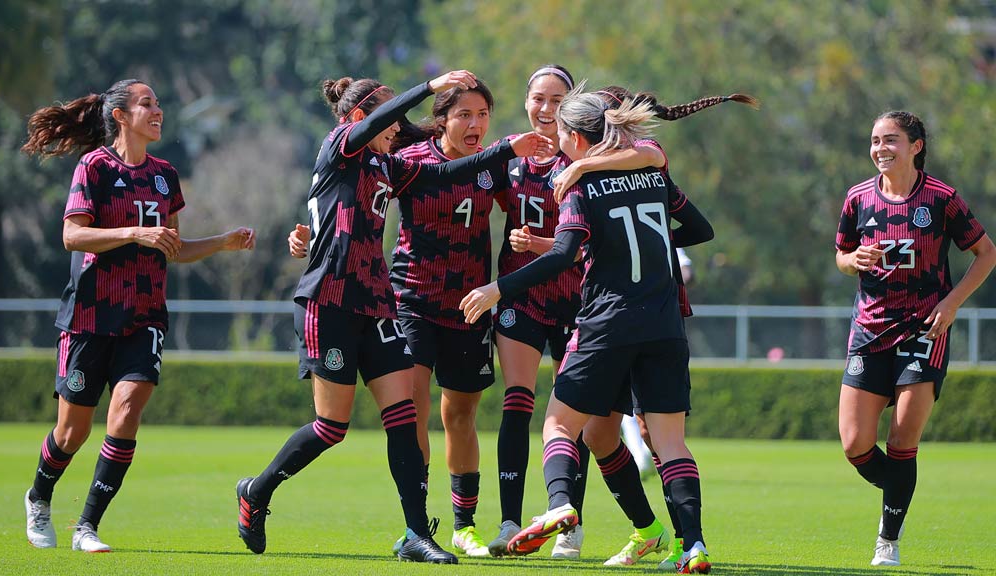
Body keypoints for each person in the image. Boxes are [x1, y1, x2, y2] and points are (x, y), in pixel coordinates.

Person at [235, 71, 552, 563]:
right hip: (330, 302)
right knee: (330, 427)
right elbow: (379, 122)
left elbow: (445, 175)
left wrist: (508, 148)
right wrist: (429, 87)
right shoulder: (341, 144)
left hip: (377, 303)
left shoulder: (387, 166)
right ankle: (256, 491)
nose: (399, 125)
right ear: (362, 117)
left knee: (404, 417)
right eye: (390, 116)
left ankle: (417, 533)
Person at [461, 88, 715, 574]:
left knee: (558, 425)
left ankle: (559, 503)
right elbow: (700, 229)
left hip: (606, 325)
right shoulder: (652, 174)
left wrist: (497, 289)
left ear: (575, 137)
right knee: (637, 439)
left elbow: (560, 256)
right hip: (664, 326)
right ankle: (687, 546)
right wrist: (643, 235)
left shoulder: (577, 185)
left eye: (560, 132)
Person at [20, 79, 256, 553]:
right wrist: (133, 232)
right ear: (121, 116)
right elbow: (72, 236)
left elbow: (172, 246)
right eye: (147, 103)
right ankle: (39, 496)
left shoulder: (166, 175)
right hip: (89, 315)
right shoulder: (95, 167)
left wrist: (221, 242)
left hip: (145, 315)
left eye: (158, 103)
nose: (158, 110)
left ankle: (86, 526)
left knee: (127, 409)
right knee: (73, 430)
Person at [835, 111, 995, 567]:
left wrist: (952, 303)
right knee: (854, 445)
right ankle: (900, 491)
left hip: (925, 329)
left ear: (916, 145)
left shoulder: (941, 199)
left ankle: (888, 538)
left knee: (903, 439)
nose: (880, 148)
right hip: (869, 329)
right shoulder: (858, 198)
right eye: (874, 140)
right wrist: (854, 261)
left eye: (891, 140)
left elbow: (986, 254)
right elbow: (841, 256)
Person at [387, 80, 500, 557]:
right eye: (464, 115)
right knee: (412, 406)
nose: (475, 124)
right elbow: (357, 205)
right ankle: (418, 526)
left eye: (482, 114)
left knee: (460, 414)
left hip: (470, 306)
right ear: (442, 120)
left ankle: (464, 525)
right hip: (411, 299)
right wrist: (312, 236)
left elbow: (532, 211)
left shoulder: (497, 164)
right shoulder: (411, 163)